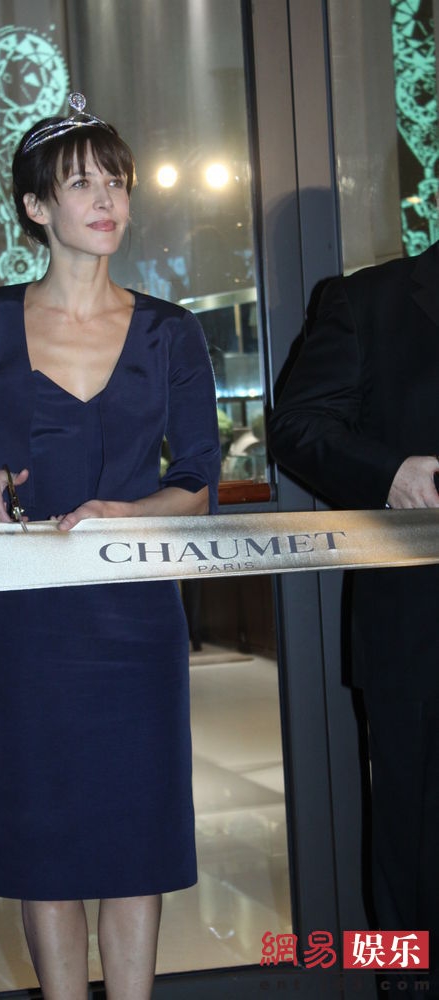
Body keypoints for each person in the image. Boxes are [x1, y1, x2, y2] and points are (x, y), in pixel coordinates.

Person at [0, 93, 220, 1000]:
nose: (107, 201)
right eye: (82, 184)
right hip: (26, 616)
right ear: (34, 206)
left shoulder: (170, 329)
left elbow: (198, 479)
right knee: (42, 835)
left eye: (117, 184)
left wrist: (129, 512)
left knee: (136, 832)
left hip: (136, 616)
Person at [268, 240, 439, 991]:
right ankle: (401, 985)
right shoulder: (369, 299)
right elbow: (297, 427)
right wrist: (389, 473)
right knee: (410, 853)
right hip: (418, 634)